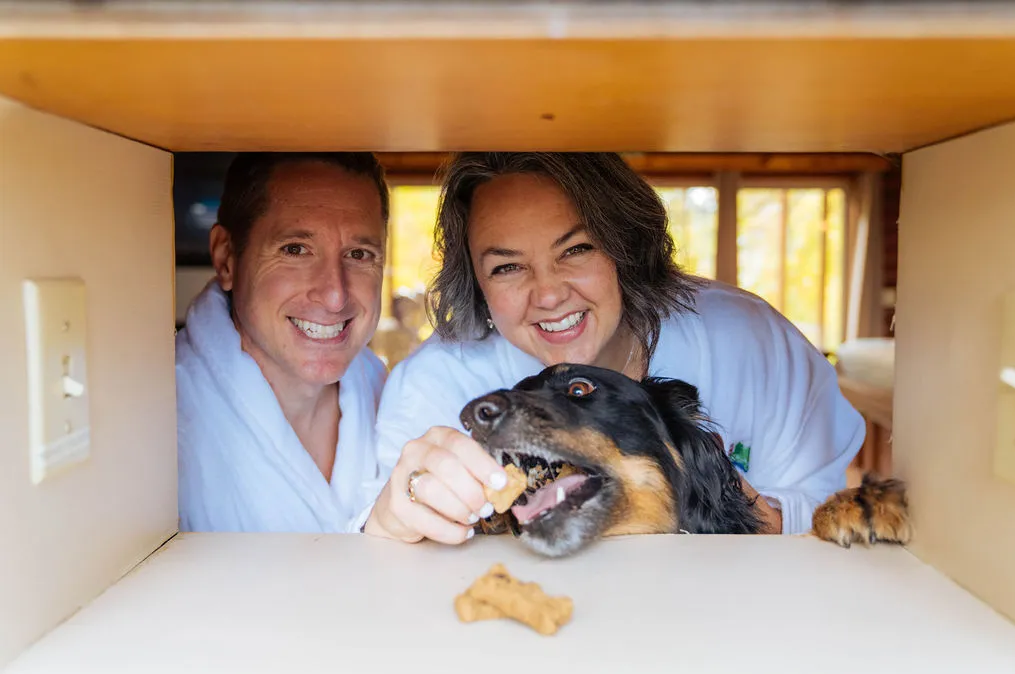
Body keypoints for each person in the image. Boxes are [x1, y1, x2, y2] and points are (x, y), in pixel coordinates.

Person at [362, 152, 865, 545]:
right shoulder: (436, 385)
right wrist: (404, 514)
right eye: (507, 267)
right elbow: (392, 553)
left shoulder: (750, 341)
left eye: (576, 249)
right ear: (475, 282)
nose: (549, 294)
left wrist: (716, 498)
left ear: (626, 248)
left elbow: (826, 515)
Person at [176, 152, 391, 533]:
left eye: (359, 254)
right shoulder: (161, 414)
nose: (335, 296)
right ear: (226, 258)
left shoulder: (388, 393)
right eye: (295, 249)